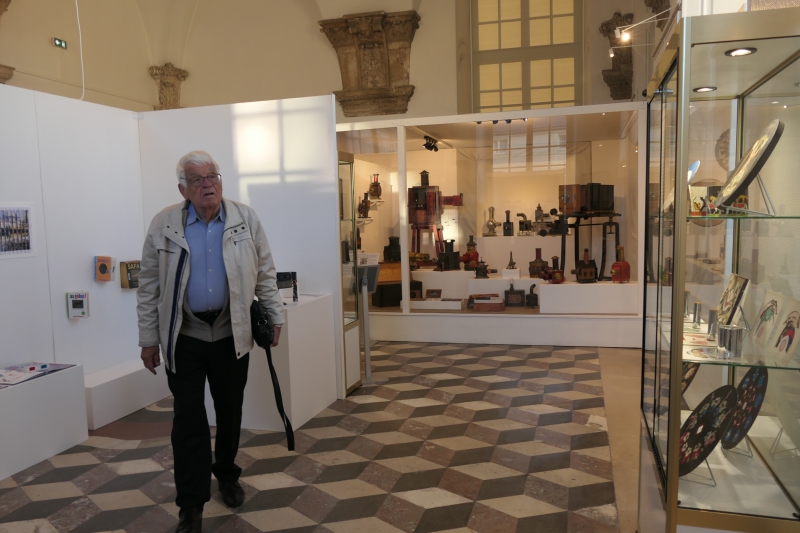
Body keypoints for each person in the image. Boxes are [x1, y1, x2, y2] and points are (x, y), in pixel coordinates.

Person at [136, 150, 285, 533]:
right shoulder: (163, 224)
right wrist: (148, 339)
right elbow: (148, 285)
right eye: (197, 179)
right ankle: (191, 505)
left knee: (230, 411)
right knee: (188, 420)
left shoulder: (244, 218)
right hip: (183, 336)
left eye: (212, 176)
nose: (207, 185)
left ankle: (227, 473)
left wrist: (275, 316)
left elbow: (265, 271)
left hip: (231, 334)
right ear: (183, 189)